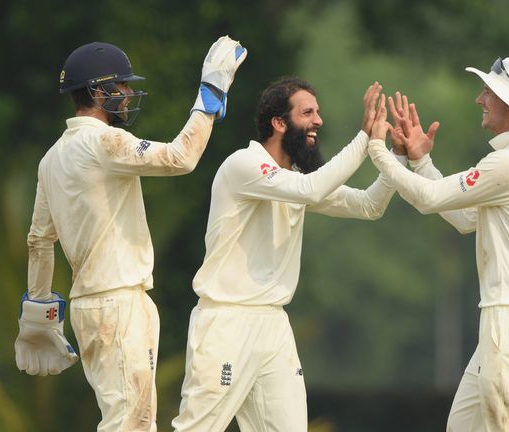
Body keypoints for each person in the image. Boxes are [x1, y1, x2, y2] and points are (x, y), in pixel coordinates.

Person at [14, 36, 247, 431]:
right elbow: (180, 157)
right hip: (118, 305)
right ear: (96, 90)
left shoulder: (51, 158)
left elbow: (39, 240)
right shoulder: (103, 140)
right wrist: (209, 94)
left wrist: (41, 311)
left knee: (133, 421)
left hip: (95, 306)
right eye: (120, 87)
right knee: (131, 424)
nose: (126, 95)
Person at [171, 77, 404, 431]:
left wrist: (394, 155)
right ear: (279, 123)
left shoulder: (295, 177)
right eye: (308, 112)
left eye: (318, 112)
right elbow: (310, 190)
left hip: (274, 327)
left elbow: (370, 205)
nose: (318, 121)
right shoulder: (244, 165)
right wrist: (364, 139)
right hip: (226, 322)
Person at [365, 57, 509, 431]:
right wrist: (421, 161)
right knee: (464, 426)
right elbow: (467, 220)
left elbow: (430, 199)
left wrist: (379, 150)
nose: (480, 100)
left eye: (488, 92)